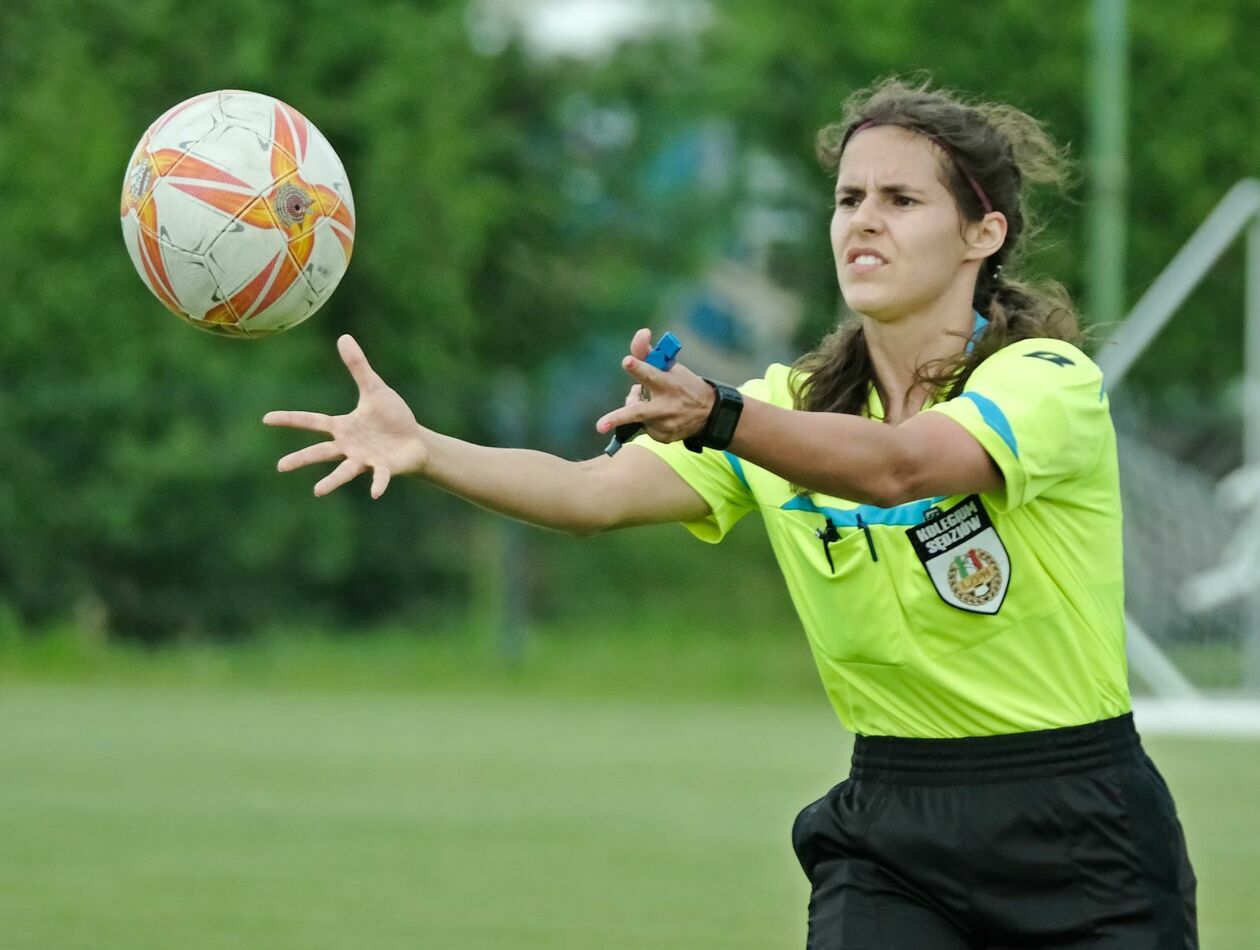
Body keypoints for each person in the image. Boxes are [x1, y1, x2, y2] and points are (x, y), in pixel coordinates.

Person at [264, 76, 1198, 948]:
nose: (862, 222)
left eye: (901, 201)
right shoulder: (783, 403)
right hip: (893, 829)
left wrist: (720, 414)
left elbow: (906, 467)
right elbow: (593, 496)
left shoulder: (1047, 382)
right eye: (848, 199)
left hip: (1078, 824)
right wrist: (427, 449)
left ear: (982, 233)